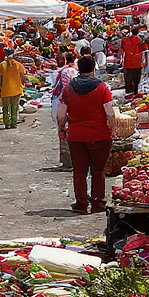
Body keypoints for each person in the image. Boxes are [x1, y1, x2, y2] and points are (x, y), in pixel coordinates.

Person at [57, 56, 118, 214]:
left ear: (79, 68)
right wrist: (113, 129)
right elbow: (110, 113)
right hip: (99, 135)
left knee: (79, 171)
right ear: (93, 68)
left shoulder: (69, 88)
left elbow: (61, 114)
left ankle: (81, 203)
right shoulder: (102, 87)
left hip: (76, 136)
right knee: (98, 171)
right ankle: (97, 203)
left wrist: (61, 129)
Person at [50, 52, 77, 168]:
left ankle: (67, 160)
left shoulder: (65, 72)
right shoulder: (76, 71)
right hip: (73, 102)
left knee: (62, 129)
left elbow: (65, 88)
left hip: (63, 102)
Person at [0, 50, 27, 129]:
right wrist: (23, 85)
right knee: (15, 107)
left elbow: (0, 78)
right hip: (17, 89)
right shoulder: (18, 65)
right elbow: (23, 76)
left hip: (6, 89)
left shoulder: (2, 65)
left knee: (6, 108)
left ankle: (7, 124)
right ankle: (14, 123)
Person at [120, 26, 149, 96]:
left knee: (128, 79)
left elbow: (121, 51)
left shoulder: (125, 40)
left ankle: (128, 94)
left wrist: (122, 59)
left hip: (127, 62)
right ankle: (135, 93)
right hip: (137, 62)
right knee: (136, 79)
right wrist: (146, 62)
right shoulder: (140, 40)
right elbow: (144, 51)